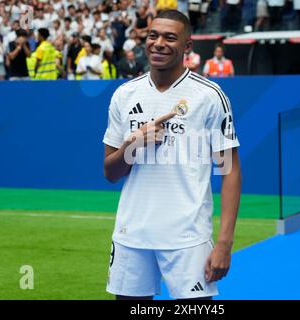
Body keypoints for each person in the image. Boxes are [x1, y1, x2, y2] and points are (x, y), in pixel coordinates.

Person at [103, 9, 241, 300]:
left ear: (187, 46)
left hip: (187, 239)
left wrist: (225, 243)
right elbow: (111, 173)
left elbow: (229, 170)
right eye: (153, 35)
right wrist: (134, 144)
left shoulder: (209, 96)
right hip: (132, 236)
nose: (159, 43)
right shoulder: (124, 95)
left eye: (169, 37)